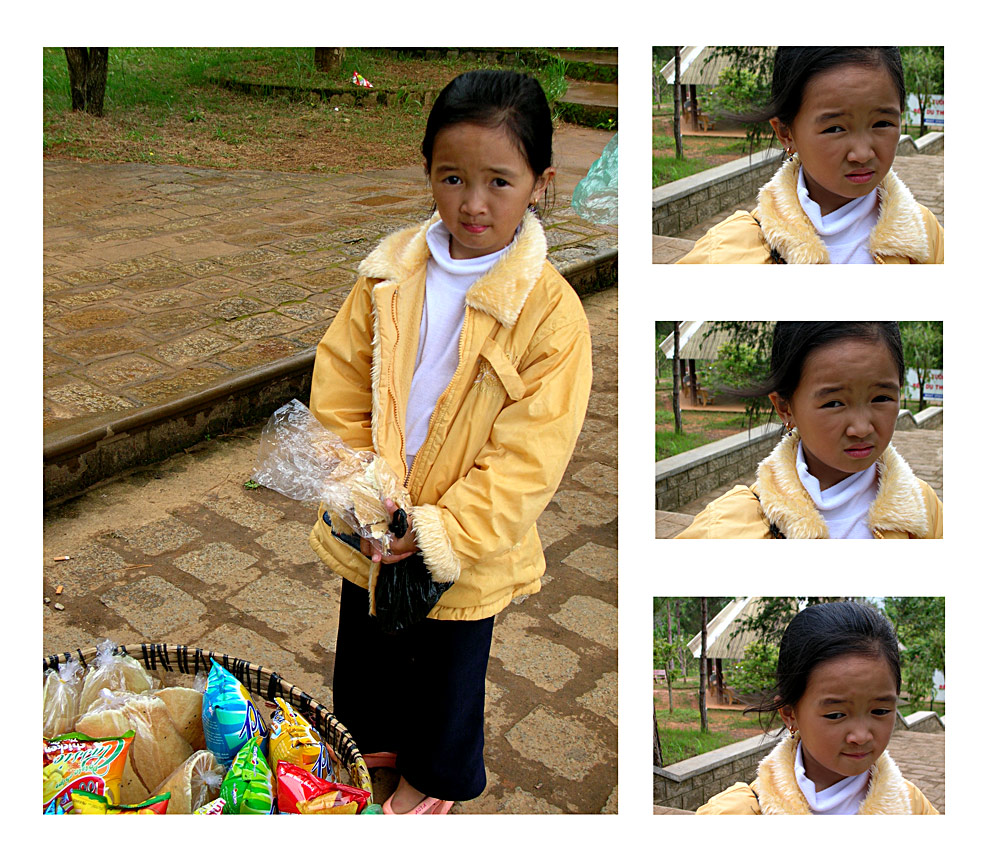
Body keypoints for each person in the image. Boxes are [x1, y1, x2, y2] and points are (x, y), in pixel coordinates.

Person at [306, 69, 593, 814]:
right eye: (452, 177)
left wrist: (440, 533)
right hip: (374, 527)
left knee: (445, 674)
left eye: (500, 181)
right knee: (365, 666)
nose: (473, 203)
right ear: (427, 170)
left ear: (541, 183)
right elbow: (339, 381)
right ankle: (367, 766)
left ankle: (429, 788)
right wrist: (362, 495)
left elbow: (531, 455)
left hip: (463, 549)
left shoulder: (552, 315)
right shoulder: (387, 274)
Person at [675, 322, 943, 538]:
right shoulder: (726, 526)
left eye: (881, 398)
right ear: (785, 408)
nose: (861, 428)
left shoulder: (925, 508)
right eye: (834, 403)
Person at [677, 47, 944, 264]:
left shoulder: (925, 234)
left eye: (882, 124)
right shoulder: (726, 252)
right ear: (786, 133)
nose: (862, 153)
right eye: (835, 128)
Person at [697, 601, 939, 814]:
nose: (861, 736)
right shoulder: (737, 813)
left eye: (880, 711)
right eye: (836, 714)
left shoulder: (914, 806)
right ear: (790, 714)